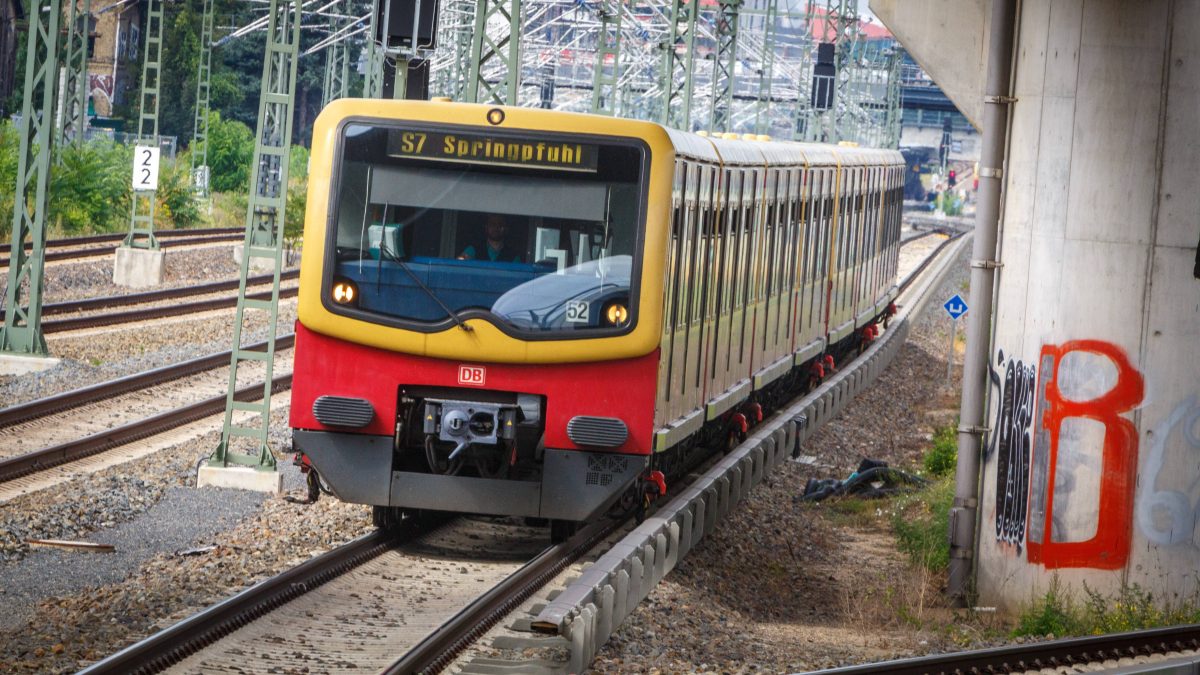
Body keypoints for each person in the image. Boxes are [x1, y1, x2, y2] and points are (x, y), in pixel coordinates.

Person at [458, 214, 523, 262]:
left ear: (506, 229)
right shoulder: (472, 250)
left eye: (500, 225)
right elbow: (459, 266)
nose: (496, 228)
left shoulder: (513, 256)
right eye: (493, 224)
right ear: (486, 227)